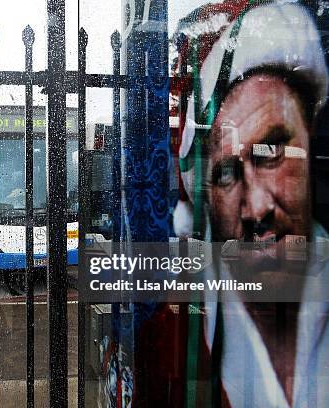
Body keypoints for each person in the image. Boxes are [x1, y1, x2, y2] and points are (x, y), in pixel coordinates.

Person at [133, 1, 329, 406]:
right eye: (225, 173)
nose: (256, 208)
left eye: (271, 150)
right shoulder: (167, 342)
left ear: (311, 137)